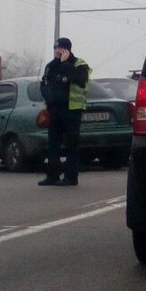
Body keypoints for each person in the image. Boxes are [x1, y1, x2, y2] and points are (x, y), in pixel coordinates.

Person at [38, 37, 90, 187]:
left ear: (67, 49)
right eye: (55, 48)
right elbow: (44, 84)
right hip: (54, 109)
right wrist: (49, 97)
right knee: (53, 144)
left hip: (72, 109)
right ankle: (52, 175)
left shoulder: (79, 64)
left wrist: (65, 63)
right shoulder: (51, 66)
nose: (56, 51)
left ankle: (71, 177)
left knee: (71, 144)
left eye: (60, 48)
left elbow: (80, 81)